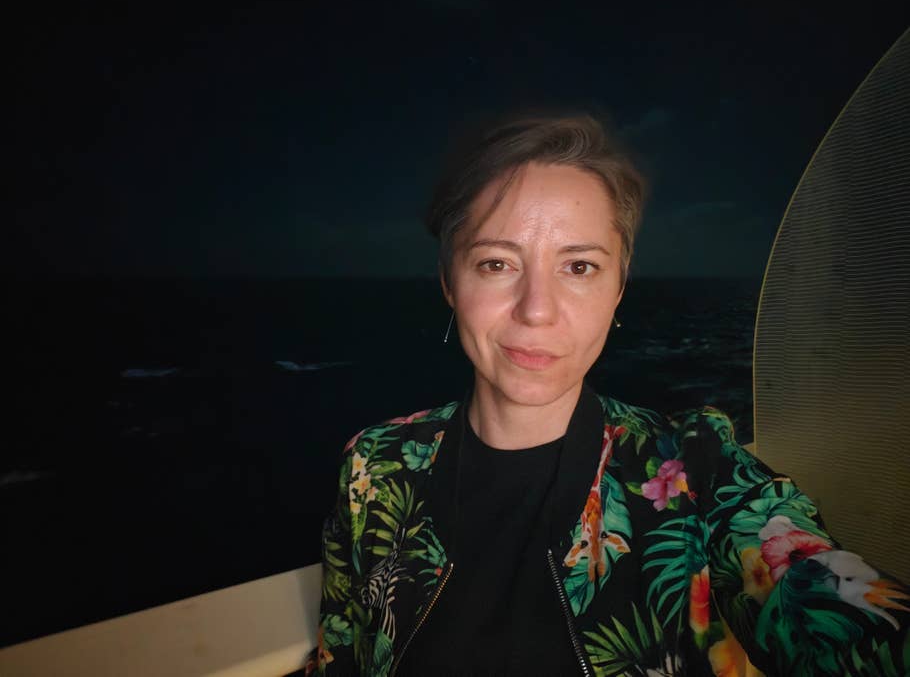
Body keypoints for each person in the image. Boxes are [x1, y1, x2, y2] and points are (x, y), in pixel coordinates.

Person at [304, 115, 909, 676]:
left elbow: (824, 597)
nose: (536, 310)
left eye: (580, 267)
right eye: (496, 263)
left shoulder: (694, 465)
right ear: (448, 281)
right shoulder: (375, 467)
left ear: (619, 287)